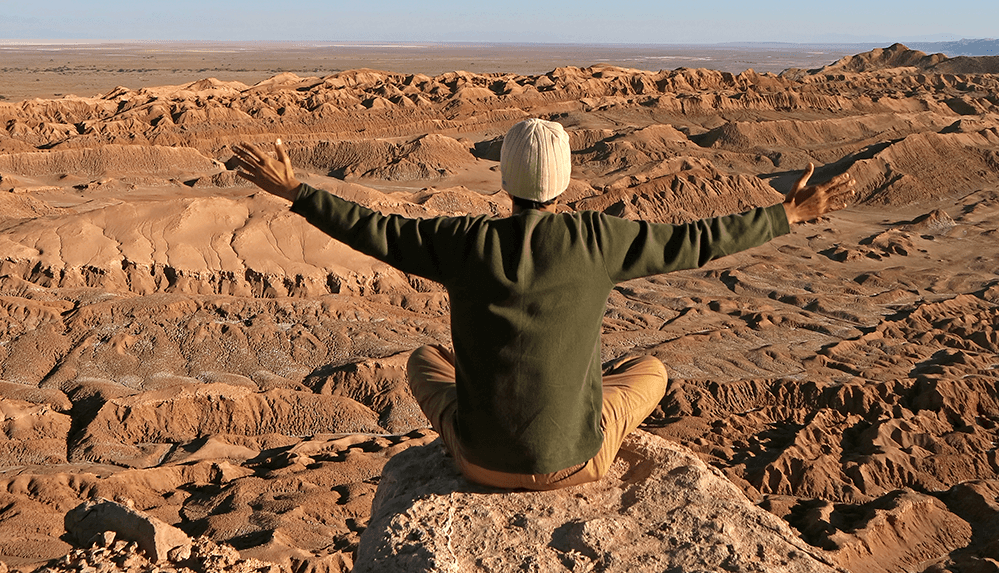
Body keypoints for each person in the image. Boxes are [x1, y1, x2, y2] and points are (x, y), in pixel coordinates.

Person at [233, 118, 853, 491]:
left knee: (425, 360)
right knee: (652, 372)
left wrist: (296, 190)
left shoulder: (461, 243)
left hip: (478, 462)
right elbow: (699, 240)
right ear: (564, 181)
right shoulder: (600, 240)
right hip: (578, 464)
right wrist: (790, 213)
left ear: (504, 178)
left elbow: (376, 229)